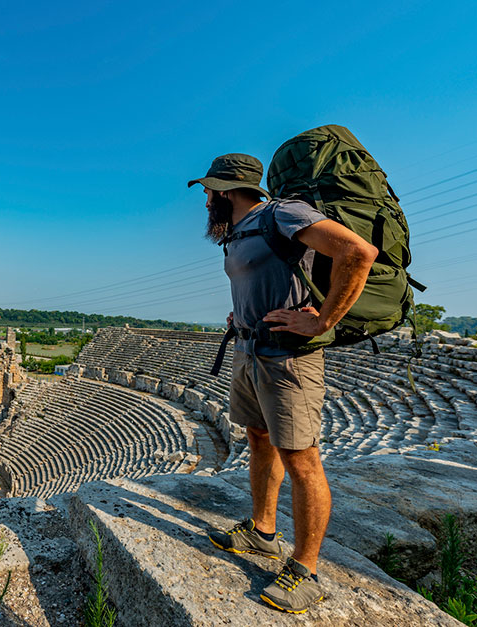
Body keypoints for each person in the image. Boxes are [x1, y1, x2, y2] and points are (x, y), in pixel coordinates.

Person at [188, 153, 378, 614]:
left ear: (226, 190)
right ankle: (262, 531)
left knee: (301, 458)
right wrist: (243, 314)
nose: (206, 201)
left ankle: (306, 570)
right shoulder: (239, 232)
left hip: (288, 360)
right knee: (258, 439)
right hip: (249, 349)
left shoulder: (283, 213)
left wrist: (323, 322)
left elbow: (358, 252)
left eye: (209, 192)